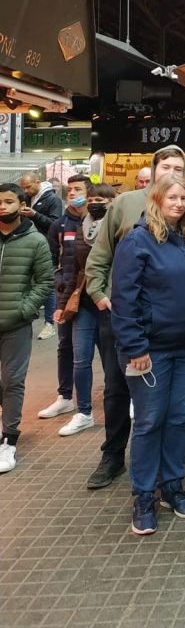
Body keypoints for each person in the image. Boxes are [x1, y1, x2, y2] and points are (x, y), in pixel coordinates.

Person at [84, 145, 185, 490]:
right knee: (123, 396)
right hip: (133, 328)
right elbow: (102, 254)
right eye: (166, 166)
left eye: (179, 169)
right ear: (153, 171)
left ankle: (171, 483)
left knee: (175, 414)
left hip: (184, 341)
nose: (173, 176)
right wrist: (98, 293)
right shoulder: (127, 211)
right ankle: (116, 460)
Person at [111, 175, 185, 535]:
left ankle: (172, 486)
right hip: (149, 351)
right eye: (172, 197)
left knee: (179, 418)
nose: (179, 203)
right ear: (156, 199)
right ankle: (143, 495)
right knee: (150, 421)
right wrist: (134, 346)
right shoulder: (138, 240)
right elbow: (123, 298)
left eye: (184, 197)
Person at [53, 182, 117, 437]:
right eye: (92, 198)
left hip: (112, 302)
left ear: (114, 202)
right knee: (80, 359)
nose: (95, 203)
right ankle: (84, 412)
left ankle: (125, 403)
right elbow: (74, 270)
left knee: (113, 361)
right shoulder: (81, 228)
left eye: (102, 199)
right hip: (85, 303)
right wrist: (61, 305)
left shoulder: (120, 229)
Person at [0, 183, 54, 473]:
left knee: (12, 381)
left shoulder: (36, 241)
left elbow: (45, 281)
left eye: (9, 201)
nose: (2, 206)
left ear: (21, 205)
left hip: (15, 324)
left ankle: (9, 440)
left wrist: (25, 309)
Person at [38, 174, 90, 422]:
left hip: (93, 294)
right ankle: (65, 397)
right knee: (65, 346)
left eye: (77, 189)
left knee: (107, 348)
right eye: (70, 189)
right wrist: (55, 283)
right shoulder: (59, 225)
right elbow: (50, 256)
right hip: (66, 294)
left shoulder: (99, 220)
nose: (72, 193)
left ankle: (122, 396)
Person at [19, 172, 63, 338]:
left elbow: (55, 223)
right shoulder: (29, 197)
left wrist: (34, 215)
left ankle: (49, 323)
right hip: (29, 245)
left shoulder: (52, 199)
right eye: (23, 187)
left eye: (28, 186)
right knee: (31, 282)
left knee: (47, 284)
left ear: (38, 182)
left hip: (47, 247)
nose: (26, 190)